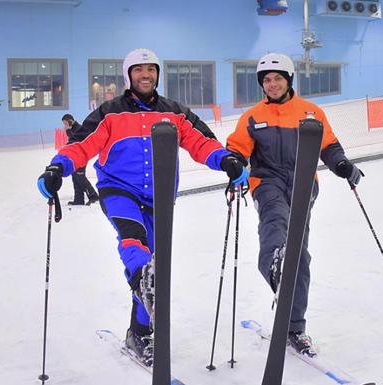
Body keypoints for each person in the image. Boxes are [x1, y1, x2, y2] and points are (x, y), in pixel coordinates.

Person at [37, 48, 248, 367]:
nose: (145, 75)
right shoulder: (109, 112)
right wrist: (57, 168)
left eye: (151, 69)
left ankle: (139, 332)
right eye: (139, 70)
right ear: (128, 75)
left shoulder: (175, 112)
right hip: (119, 190)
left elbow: (202, 142)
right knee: (134, 243)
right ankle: (143, 278)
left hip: (161, 198)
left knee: (153, 268)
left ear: (158, 75)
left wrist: (226, 160)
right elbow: (81, 145)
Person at [225, 53, 363, 357]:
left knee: (299, 256)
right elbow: (237, 148)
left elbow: (329, 145)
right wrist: (234, 163)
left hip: (304, 185)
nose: (272, 84)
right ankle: (276, 267)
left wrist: (341, 164)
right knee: (275, 227)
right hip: (267, 182)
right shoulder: (252, 116)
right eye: (267, 80)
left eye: (278, 78)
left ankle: (294, 328)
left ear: (289, 80)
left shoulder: (310, 112)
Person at [61, 113, 99, 206]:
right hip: (75, 156)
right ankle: (78, 199)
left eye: (66, 123)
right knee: (75, 177)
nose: (65, 125)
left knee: (80, 176)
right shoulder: (70, 130)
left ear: (70, 121)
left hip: (82, 156)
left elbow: (78, 142)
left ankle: (93, 196)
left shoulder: (79, 129)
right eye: (63, 124)